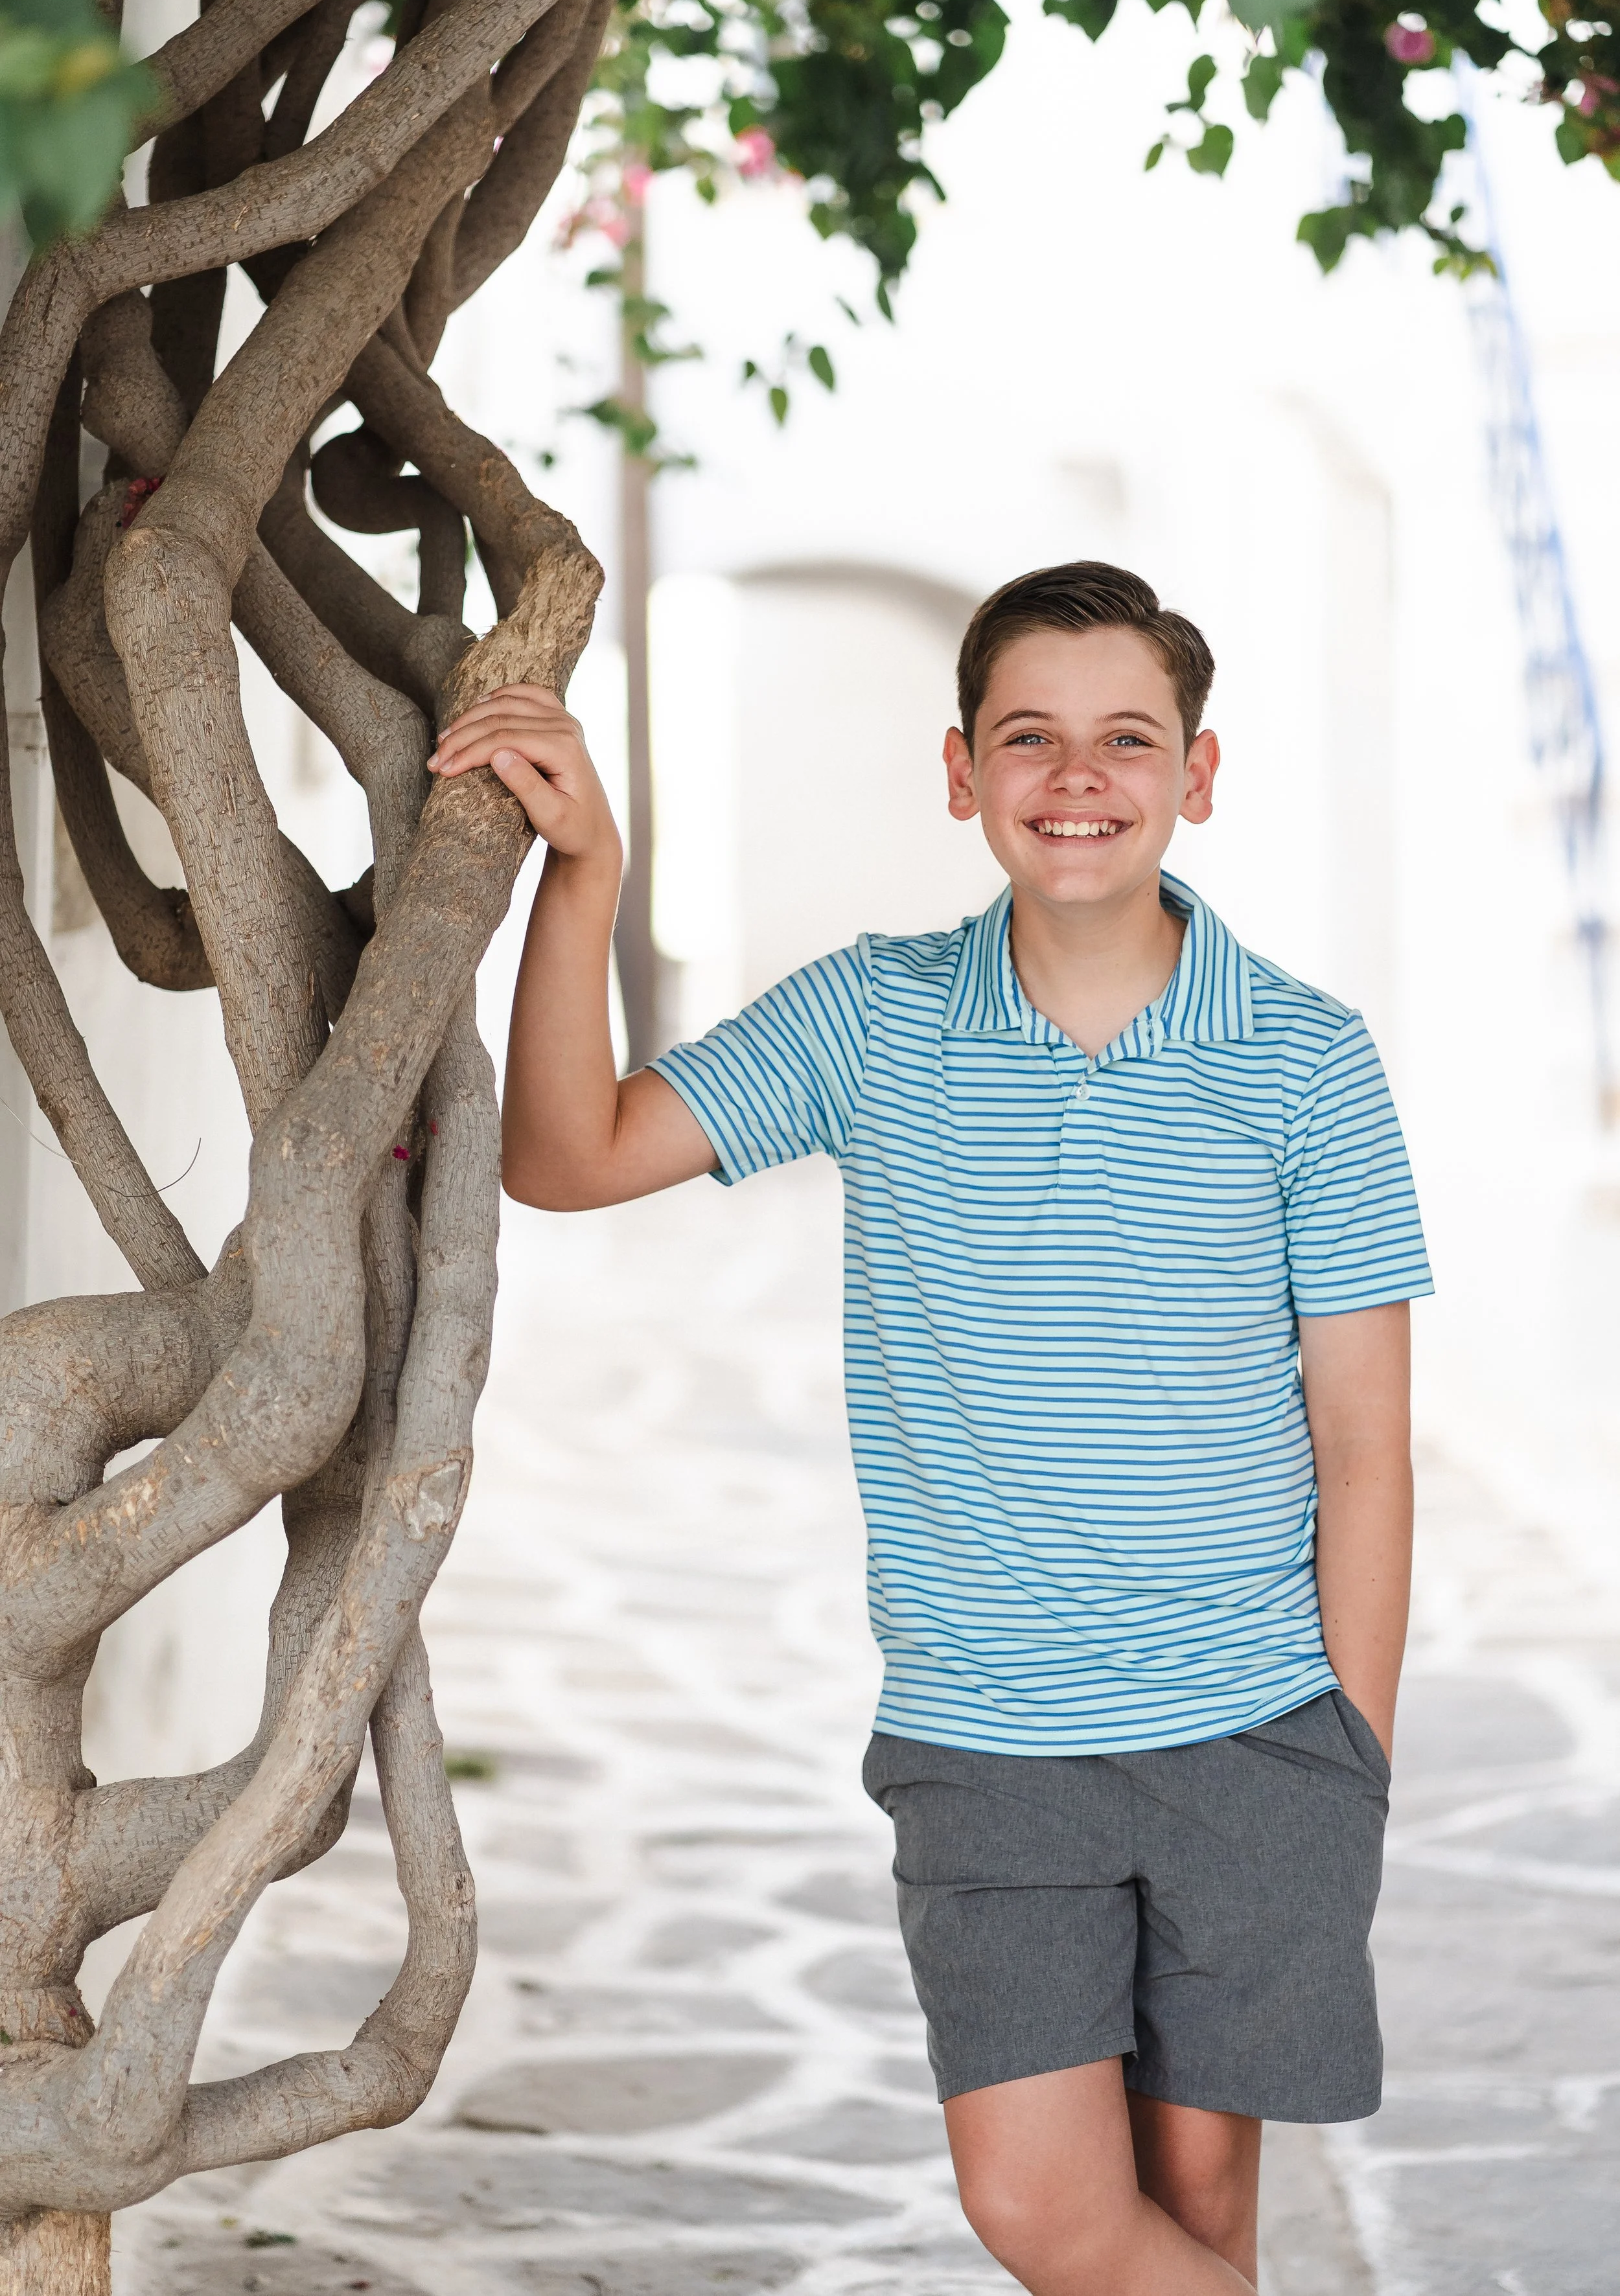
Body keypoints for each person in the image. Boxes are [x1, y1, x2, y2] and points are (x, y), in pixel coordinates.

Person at [428, 560, 1431, 2296]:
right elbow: (568, 1152)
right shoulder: (872, 1018)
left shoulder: (1303, 1061)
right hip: (987, 1738)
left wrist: (1349, 1748)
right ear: (960, 769)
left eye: (1126, 738)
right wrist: (589, 869)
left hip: (1257, 1730)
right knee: (1044, 2211)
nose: (1075, 775)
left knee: (1197, 2227)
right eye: (1028, 735)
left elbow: (1364, 1445)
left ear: (1196, 774)